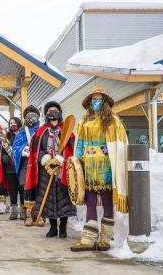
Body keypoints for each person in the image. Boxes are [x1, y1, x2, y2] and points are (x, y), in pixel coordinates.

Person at [71, 86, 128, 252]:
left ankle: (105, 239)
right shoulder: (84, 121)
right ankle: (88, 239)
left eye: (99, 99)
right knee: (89, 202)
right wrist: (77, 163)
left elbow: (119, 145)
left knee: (107, 201)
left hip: (106, 167)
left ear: (104, 102)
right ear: (89, 102)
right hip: (88, 167)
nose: (96, 102)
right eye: (93, 99)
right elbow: (80, 144)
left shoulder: (113, 121)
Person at [25, 101, 77, 238]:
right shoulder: (41, 131)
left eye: (55, 110)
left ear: (59, 113)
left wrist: (60, 159)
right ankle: (53, 227)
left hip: (62, 169)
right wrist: (45, 158)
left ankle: (63, 227)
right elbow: (36, 149)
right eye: (49, 111)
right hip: (46, 171)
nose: (52, 113)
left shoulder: (66, 130)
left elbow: (71, 148)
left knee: (63, 198)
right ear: (46, 115)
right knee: (48, 199)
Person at [12, 105, 42, 226]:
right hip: (26, 164)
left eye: (33, 113)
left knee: (39, 187)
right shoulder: (20, 132)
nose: (31, 116)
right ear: (25, 117)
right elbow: (15, 147)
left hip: (39, 163)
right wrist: (23, 150)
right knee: (26, 187)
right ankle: (28, 214)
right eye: (28, 114)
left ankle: (39, 214)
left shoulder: (42, 129)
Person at [3, 117, 23, 220]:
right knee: (13, 190)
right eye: (11, 123)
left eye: (15, 122)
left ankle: (23, 211)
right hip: (10, 169)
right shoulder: (6, 137)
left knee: (23, 189)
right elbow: (1, 152)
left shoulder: (23, 135)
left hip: (22, 166)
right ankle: (14, 212)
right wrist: (7, 159)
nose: (13, 124)